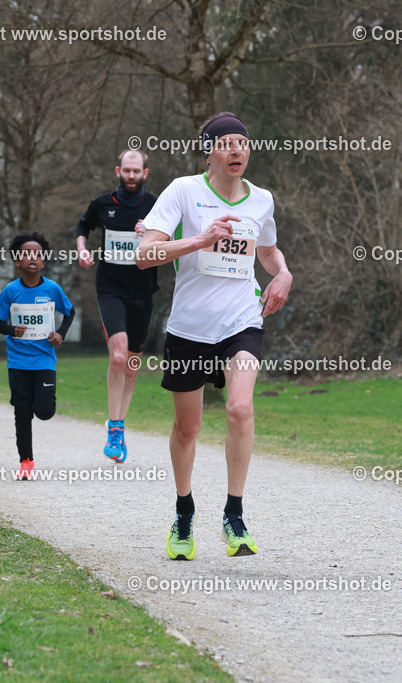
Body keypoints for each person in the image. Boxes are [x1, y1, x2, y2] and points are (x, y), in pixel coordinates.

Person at [137, 112, 292, 560]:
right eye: (225, 143)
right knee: (188, 428)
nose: (236, 149)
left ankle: (234, 514)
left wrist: (282, 274)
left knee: (241, 408)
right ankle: (184, 512)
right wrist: (198, 240)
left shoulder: (261, 199)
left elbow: (266, 249)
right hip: (189, 328)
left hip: (241, 320)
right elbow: (145, 255)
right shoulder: (183, 191)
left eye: (242, 142)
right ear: (208, 151)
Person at [76, 150, 159, 463]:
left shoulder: (155, 205)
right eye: (127, 170)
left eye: (137, 171)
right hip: (110, 289)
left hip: (143, 290)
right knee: (119, 355)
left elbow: (173, 238)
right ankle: (113, 428)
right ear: (118, 171)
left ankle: (121, 425)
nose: (132, 175)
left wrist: (149, 234)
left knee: (133, 364)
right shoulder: (103, 204)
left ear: (145, 173)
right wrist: (82, 251)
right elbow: (82, 227)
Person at [0, 231, 75, 481]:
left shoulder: (52, 289)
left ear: (43, 261)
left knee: (45, 411)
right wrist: (11, 329)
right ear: (17, 261)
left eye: (37, 254)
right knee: (22, 412)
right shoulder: (10, 291)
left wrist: (60, 334)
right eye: (26, 254)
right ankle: (26, 461)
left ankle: (41, 412)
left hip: (44, 361)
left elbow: (70, 313)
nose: (32, 258)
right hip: (17, 362)